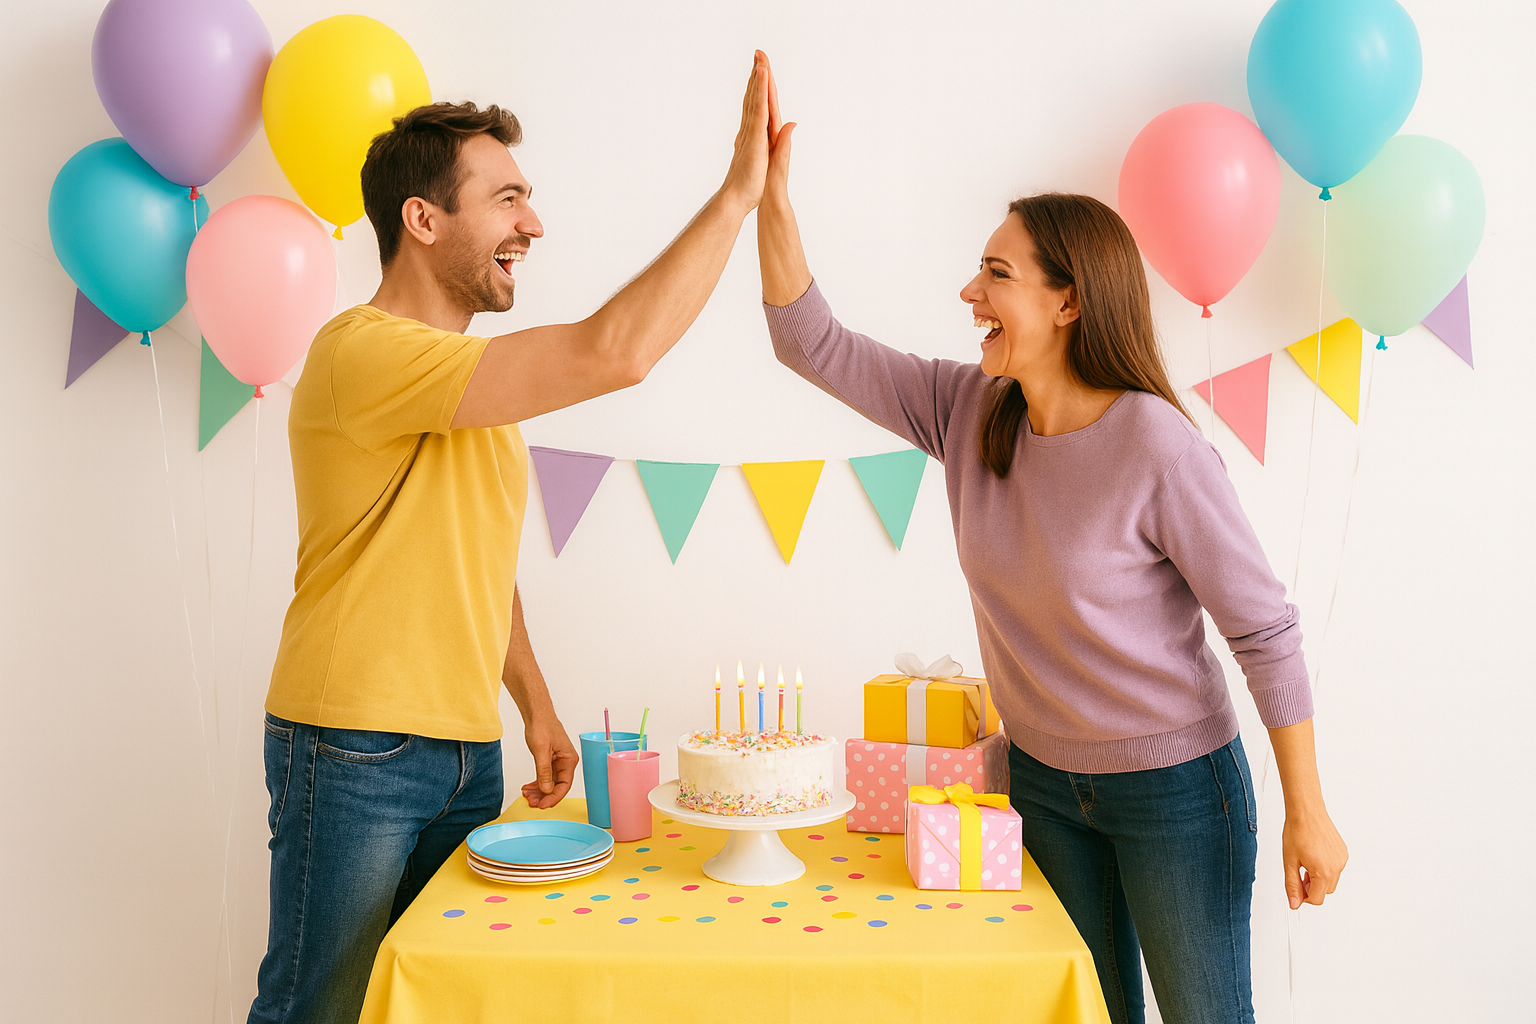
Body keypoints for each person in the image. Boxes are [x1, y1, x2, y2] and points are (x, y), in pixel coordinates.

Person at [754, 74, 1348, 1024]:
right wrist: (768, 198)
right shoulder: (968, 409)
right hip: (1038, 782)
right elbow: (808, 342)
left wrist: (1306, 809)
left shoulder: (1156, 445)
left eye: (997, 273)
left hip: (1175, 794)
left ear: (1071, 303)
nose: (968, 290)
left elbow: (1265, 631)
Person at [250, 52, 778, 1024]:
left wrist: (532, 701)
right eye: (506, 198)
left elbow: (477, 560)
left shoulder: (472, 385)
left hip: (464, 748)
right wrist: (737, 197)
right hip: (354, 744)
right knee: (313, 1007)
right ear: (423, 218)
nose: (532, 223)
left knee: (432, 1003)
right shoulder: (361, 352)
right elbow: (618, 351)